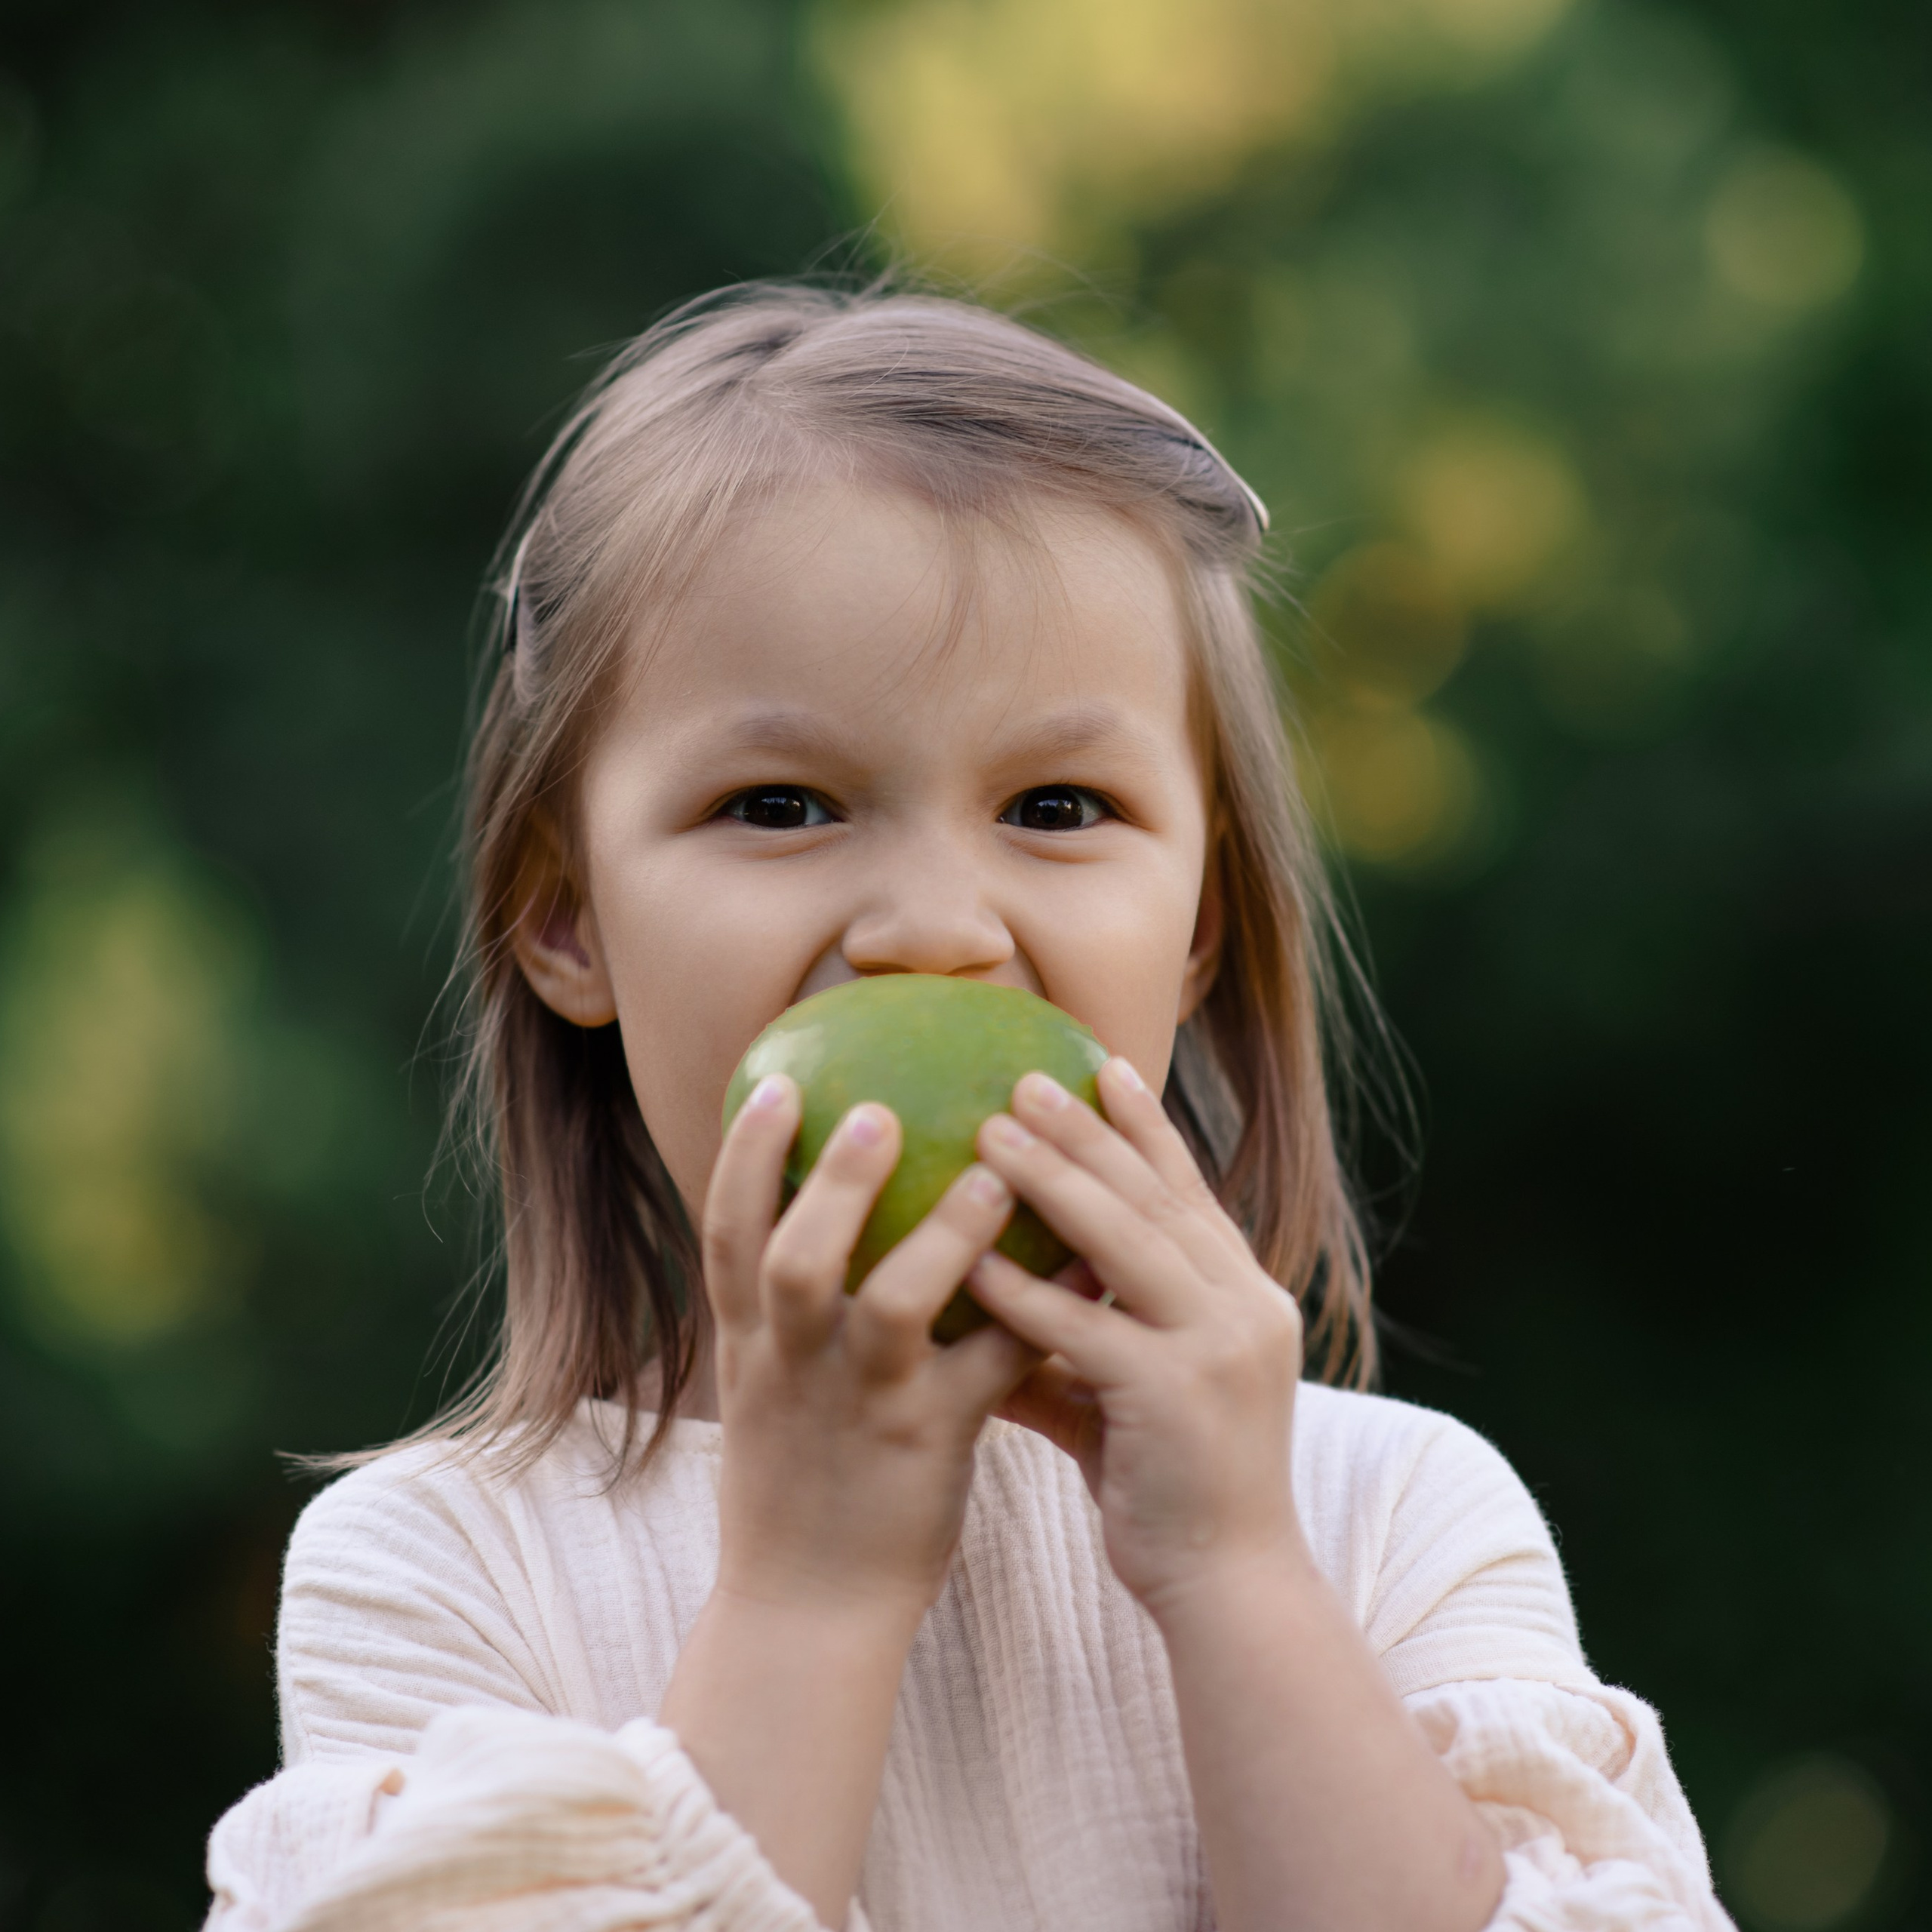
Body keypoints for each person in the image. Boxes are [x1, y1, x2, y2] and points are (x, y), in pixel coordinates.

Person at [202, 285, 1732, 1932]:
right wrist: (808, 1590)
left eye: (1056, 805)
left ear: (1199, 921)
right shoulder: (440, 1571)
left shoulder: (1380, 1518)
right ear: (569, 916)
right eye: (778, 804)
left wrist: (1231, 1570)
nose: (933, 924)